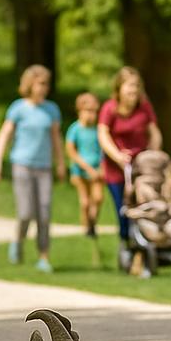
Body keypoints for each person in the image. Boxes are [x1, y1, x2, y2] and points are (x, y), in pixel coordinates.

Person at [0, 64, 64, 272]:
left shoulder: (51, 110)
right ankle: (18, 241)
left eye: (46, 84)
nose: (44, 88)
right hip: (22, 165)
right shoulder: (18, 108)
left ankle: (44, 256)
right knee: (25, 212)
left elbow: (56, 138)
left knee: (45, 212)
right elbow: (4, 135)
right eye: (40, 83)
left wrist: (61, 163)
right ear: (30, 84)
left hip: (44, 168)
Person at [97, 66, 161, 245]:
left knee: (144, 207)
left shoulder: (144, 107)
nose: (134, 90)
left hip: (141, 168)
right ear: (119, 87)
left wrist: (151, 155)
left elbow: (154, 133)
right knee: (123, 210)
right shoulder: (109, 108)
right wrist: (117, 155)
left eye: (137, 86)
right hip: (117, 170)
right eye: (130, 85)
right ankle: (127, 244)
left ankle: (144, 243)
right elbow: (103, 134)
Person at [64, 92, 105, 240]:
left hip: (97, 170)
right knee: (85, 201)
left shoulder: (98, 130)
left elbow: (103, 150)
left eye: (94, 111)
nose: (91, 115)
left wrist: (101, 167)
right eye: (88, 111)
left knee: (98, 198)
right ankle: (86, 226)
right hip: (80, 171)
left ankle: (93, 222)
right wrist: (87, 168)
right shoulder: (75, 129)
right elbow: (71, 151)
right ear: (80, 110)